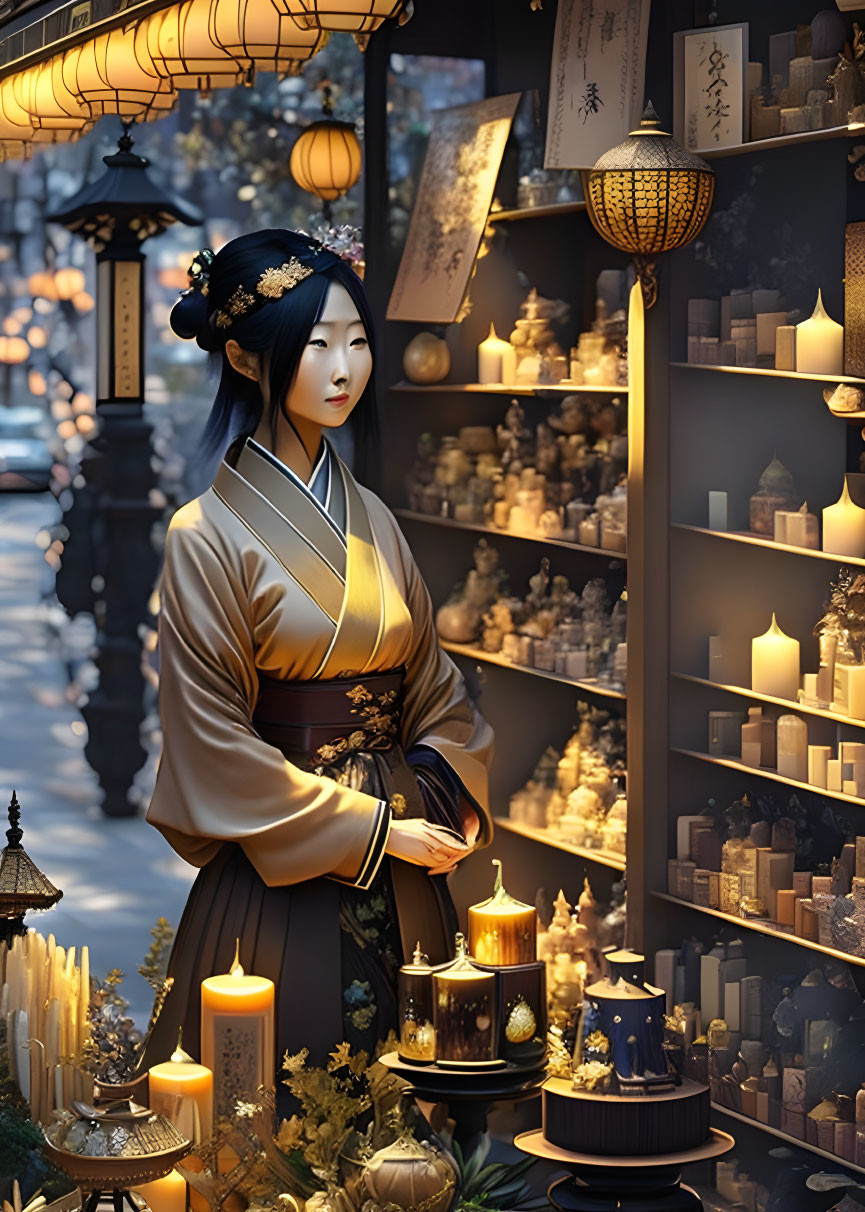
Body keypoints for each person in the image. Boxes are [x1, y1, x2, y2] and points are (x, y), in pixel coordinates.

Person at [142, 229, 493, 1079]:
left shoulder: (370, 514)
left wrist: (437, 801)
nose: (345, 369)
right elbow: (210, 747)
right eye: (317, 345)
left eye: (358, 341)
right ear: (245, 358)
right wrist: (378, 830)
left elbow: (435, 691)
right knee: (287, 1104)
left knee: (416, 1107)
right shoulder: (204, 536)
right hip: (283, 868)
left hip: (409, 847)